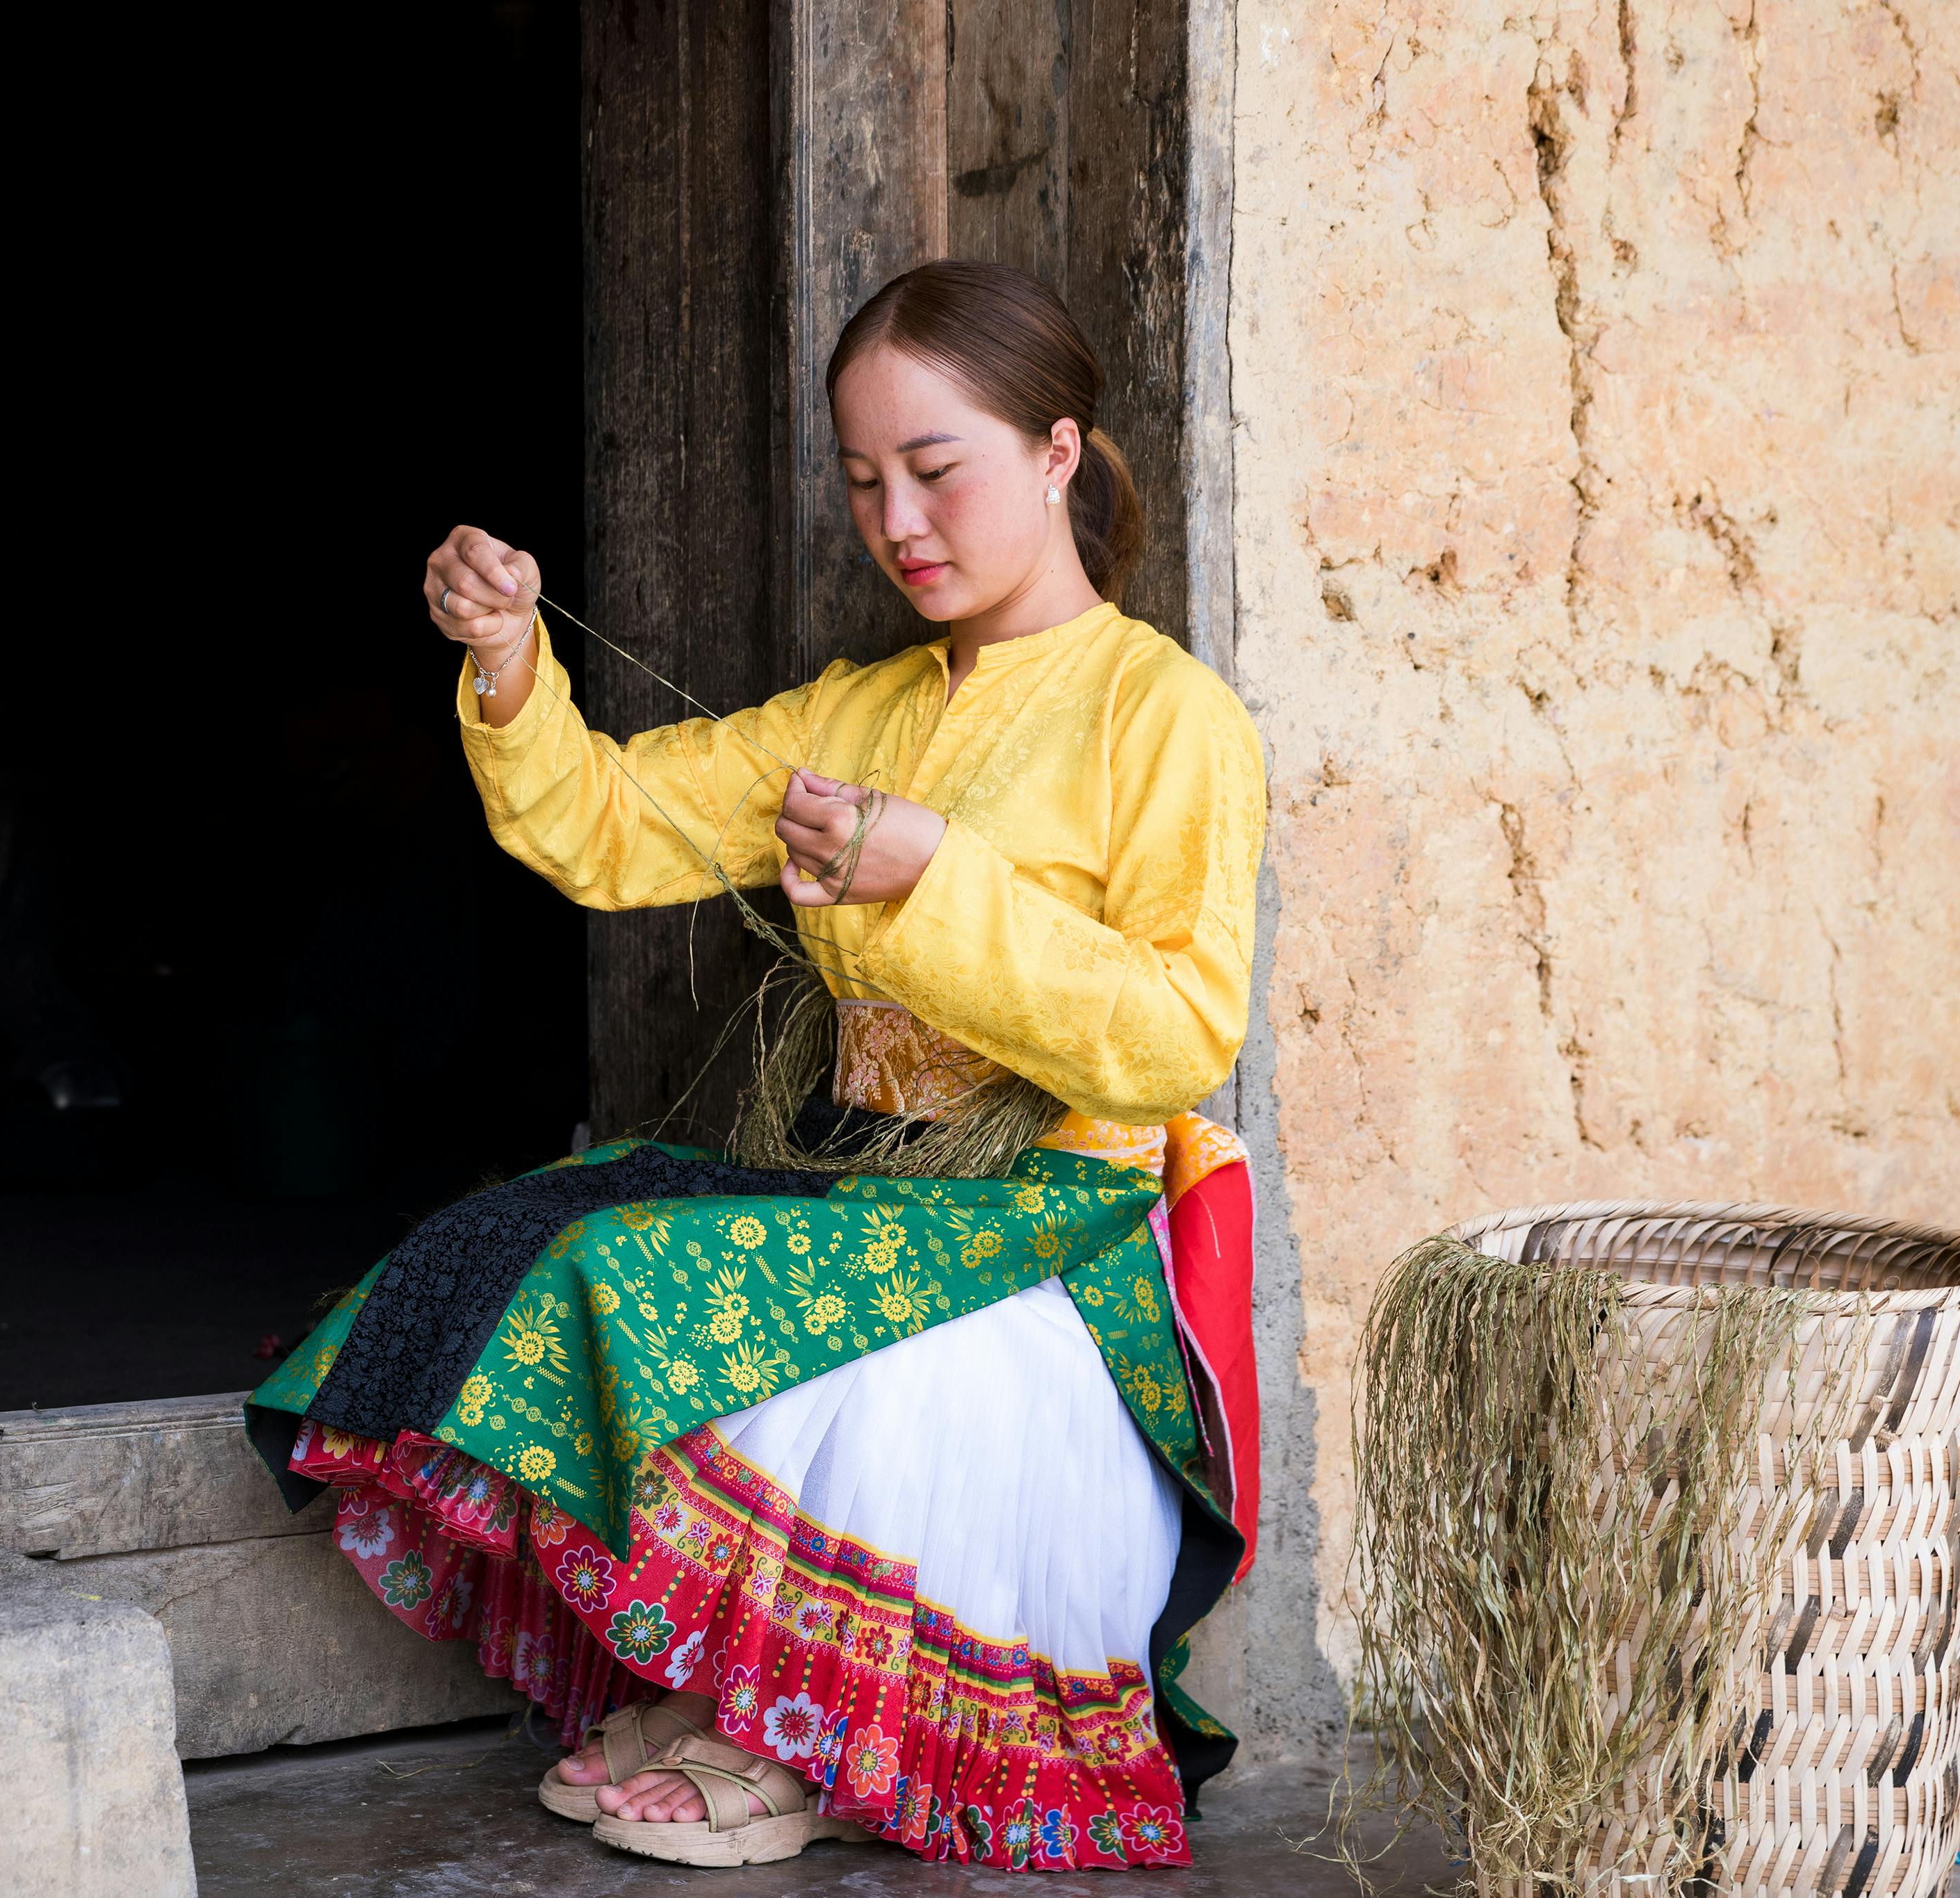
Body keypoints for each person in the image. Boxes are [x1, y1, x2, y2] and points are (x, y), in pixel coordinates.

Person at [247, 259, 1267, 1872]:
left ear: (1060, 452)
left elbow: (1177, 1036)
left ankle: (780, 1723)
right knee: (532, 1229)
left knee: (641, 1272)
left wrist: (938, 880)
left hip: (1045, 1205)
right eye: (866, 482)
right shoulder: (857, 711)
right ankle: (722, 1675)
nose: (898, 520)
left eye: (938, 470)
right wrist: (512, 662)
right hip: (865, 1168)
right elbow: (605, 827)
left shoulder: (1168, 717)